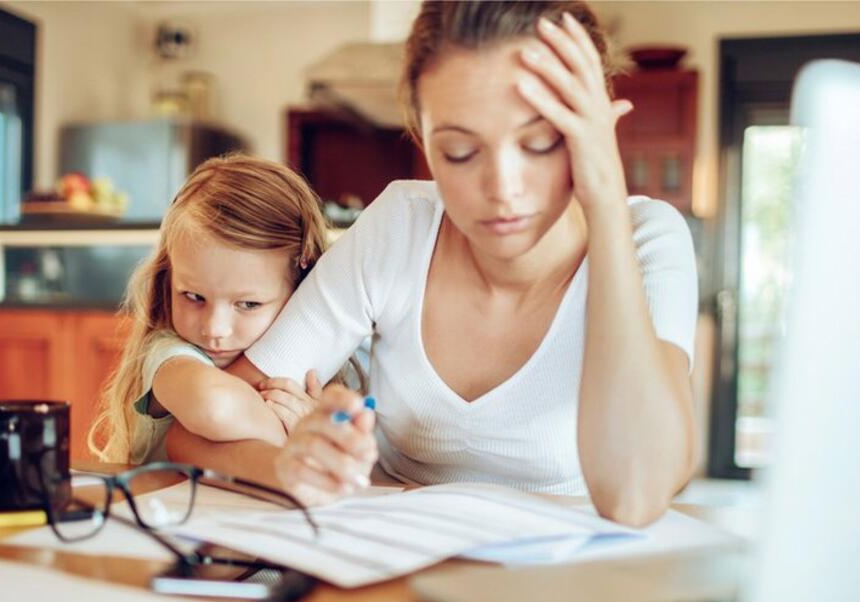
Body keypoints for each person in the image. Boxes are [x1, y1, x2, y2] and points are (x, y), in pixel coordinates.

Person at [168, 1, 699, 526]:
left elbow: (636, 496)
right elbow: (191, 434)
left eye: (541, 141)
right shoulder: (399, 227)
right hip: (393, 567)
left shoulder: (646, 239)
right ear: (422, 138)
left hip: (561, 584)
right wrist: (290, 465)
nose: (503, 190)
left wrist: (604, 197)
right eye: (461, 153)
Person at [88, 154, 335, 466]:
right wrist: (304, 437)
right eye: (193, 296)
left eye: (248, 304)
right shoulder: (169, 354)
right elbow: (212, 405)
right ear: (169, 278)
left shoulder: (319, 365)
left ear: (301, 286)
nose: (214, 329)